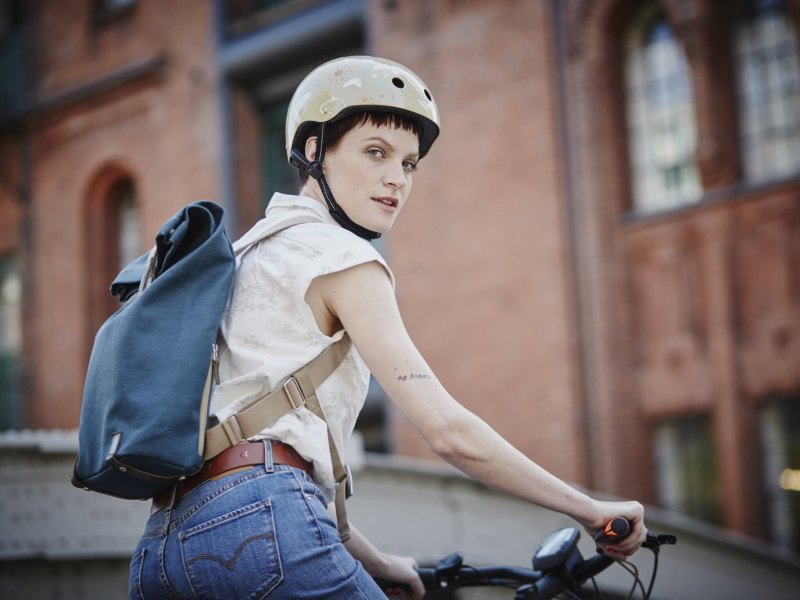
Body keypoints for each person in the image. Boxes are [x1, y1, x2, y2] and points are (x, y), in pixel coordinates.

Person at [128, 56, 646, 600]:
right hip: (262, 531)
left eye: (410, 164)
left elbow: (253, 448)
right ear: (313, 150)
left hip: (163, 550)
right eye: (375, 152)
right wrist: (589, 509)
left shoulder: (241, 257)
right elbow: (447, 431)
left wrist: (376, 561)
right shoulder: (341, 258)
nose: (396, 179)